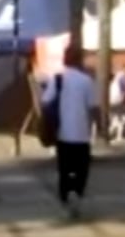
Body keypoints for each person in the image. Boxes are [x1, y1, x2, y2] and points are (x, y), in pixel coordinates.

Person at [41, 46, 99, 218]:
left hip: (62, 133)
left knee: (64, 170)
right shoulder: (86, 81)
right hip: (81, 134)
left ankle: (66, 198)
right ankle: (77, 194)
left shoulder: (57, 79)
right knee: (82, 169)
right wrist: (100, 126)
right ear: (79, 60)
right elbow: (93, 107)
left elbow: (45, 102)